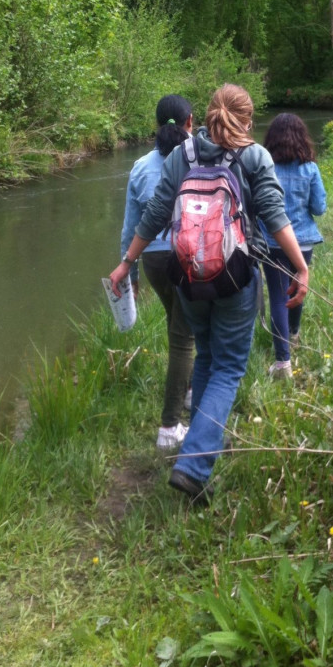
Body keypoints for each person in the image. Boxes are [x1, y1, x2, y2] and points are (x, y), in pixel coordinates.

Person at [109, 84, 309, 505]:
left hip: (186, 276)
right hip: (235, 278)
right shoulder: (254, 156)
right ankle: (195, 464)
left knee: (206, 356)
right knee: (230, 367)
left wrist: (128, 261)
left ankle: (201, 440)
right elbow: (274, 216)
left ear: (203, 116)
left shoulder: (183, 154)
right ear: (248, 120)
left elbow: (158, 211)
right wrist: (301, 265)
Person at [120, 95, 196, 451]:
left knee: (176, 322)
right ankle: (171, 425)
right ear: (190, 122)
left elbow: (130, 227)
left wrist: (130, 273)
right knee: (185, 336)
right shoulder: (199, 159)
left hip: (150, 259)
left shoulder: (138, 167)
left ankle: (189, 388)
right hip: (186, 257)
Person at [260, 113, 326, 378]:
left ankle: (282, 362)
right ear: (302, 137)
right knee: (298, 286)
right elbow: (319, 208)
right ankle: (294, 335)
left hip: (271, 241)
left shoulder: (265, 168)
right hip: (303, 241)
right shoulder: (310, 169)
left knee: (277, 296)